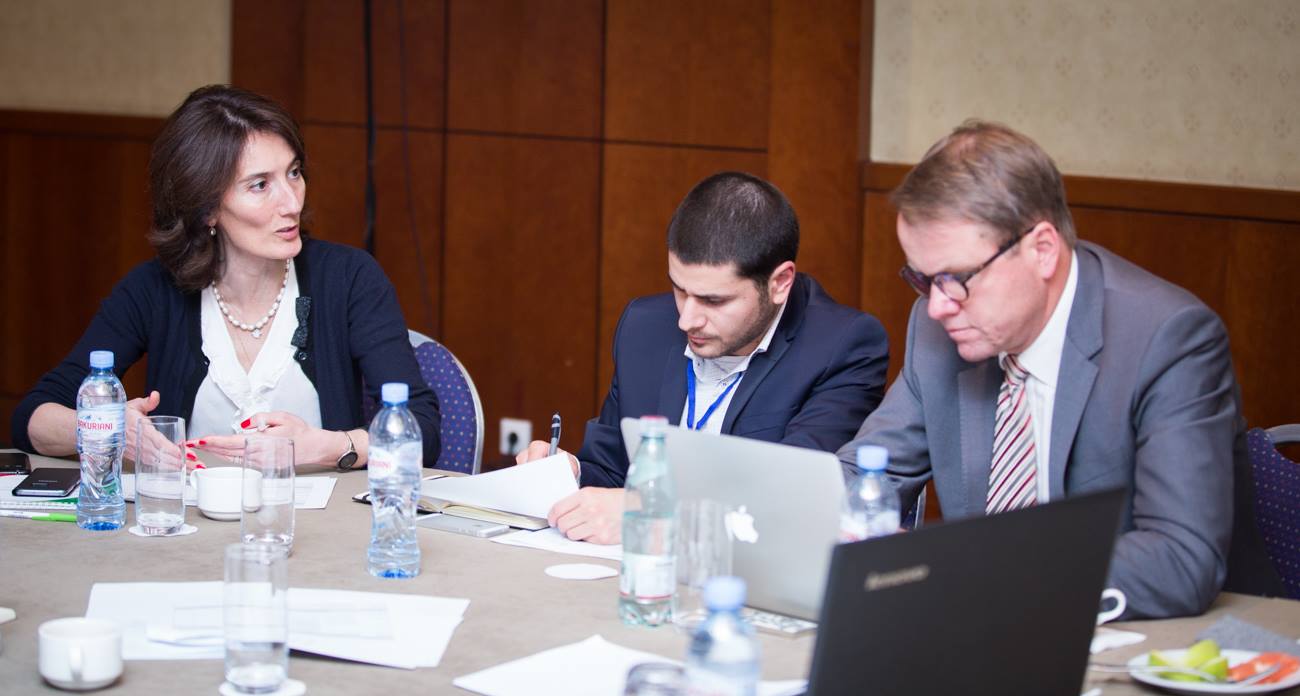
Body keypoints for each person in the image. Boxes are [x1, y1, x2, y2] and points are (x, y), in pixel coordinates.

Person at [837, 120, 1279, 619]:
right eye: (922, 279)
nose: (937, 306)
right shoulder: (939, 331)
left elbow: (1180, 559)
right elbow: (866, 474)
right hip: (993, 630)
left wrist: (964, 565)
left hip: (1167, 640)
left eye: (954, 278)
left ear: (1042, 250)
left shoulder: (1166, 339)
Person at [12, 85, 440, 469]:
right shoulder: (153, 289)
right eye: (260, 185)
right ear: (207, 208)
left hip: (323, 526)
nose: (291, 202)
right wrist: (105, 428)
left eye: (293, 173)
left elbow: (422, 428)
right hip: (187, 525)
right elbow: (32, 417)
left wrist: (333, 446)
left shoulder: (348, 278)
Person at [517, 172, 889, 544]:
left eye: (713, 300)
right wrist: (570, 473)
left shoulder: (842, 347)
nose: (686, 320)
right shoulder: (644, 325)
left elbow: (791, 495)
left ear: (779, 283)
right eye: (679, 290)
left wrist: (644, 511)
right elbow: (614, 469)